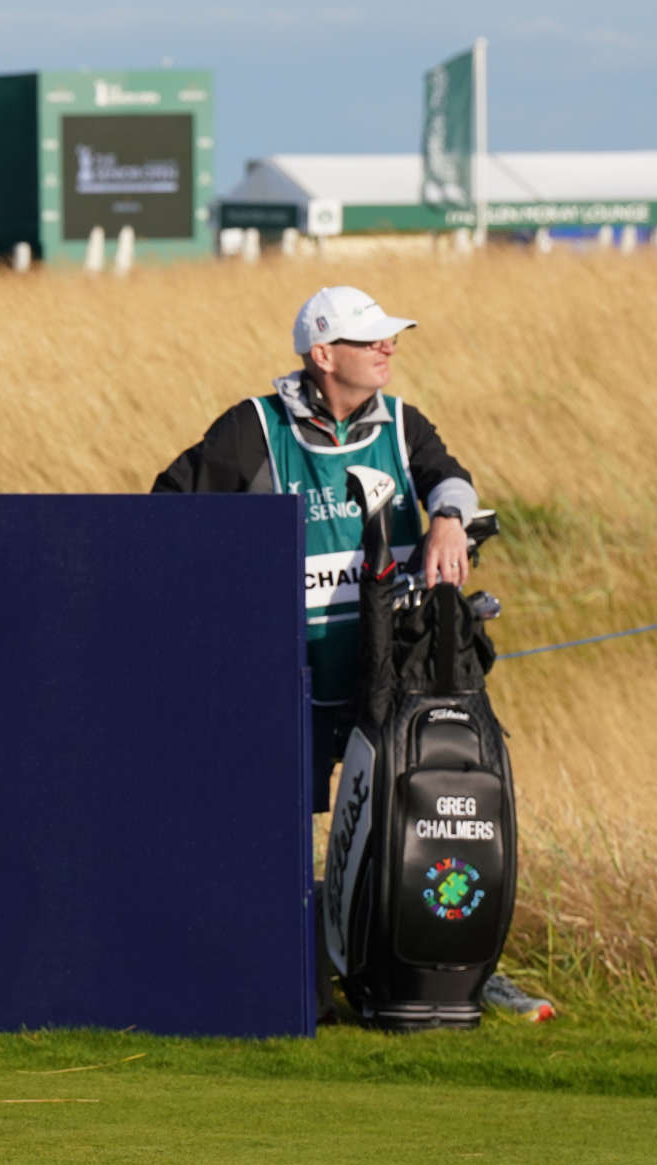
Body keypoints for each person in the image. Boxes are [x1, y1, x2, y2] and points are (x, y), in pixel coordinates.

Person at [151, 285, 554, 1023]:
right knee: (275, 840)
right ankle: (292, 981)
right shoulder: (254, 429)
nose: (387, 348)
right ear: (323, 354)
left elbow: (450, 477)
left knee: (415, 831)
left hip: (393, 674)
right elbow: (171, 509)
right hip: (286, 678)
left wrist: (448, 521)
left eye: (389, 338)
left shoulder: (402, 423)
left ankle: (436, 972)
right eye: (371, 340)